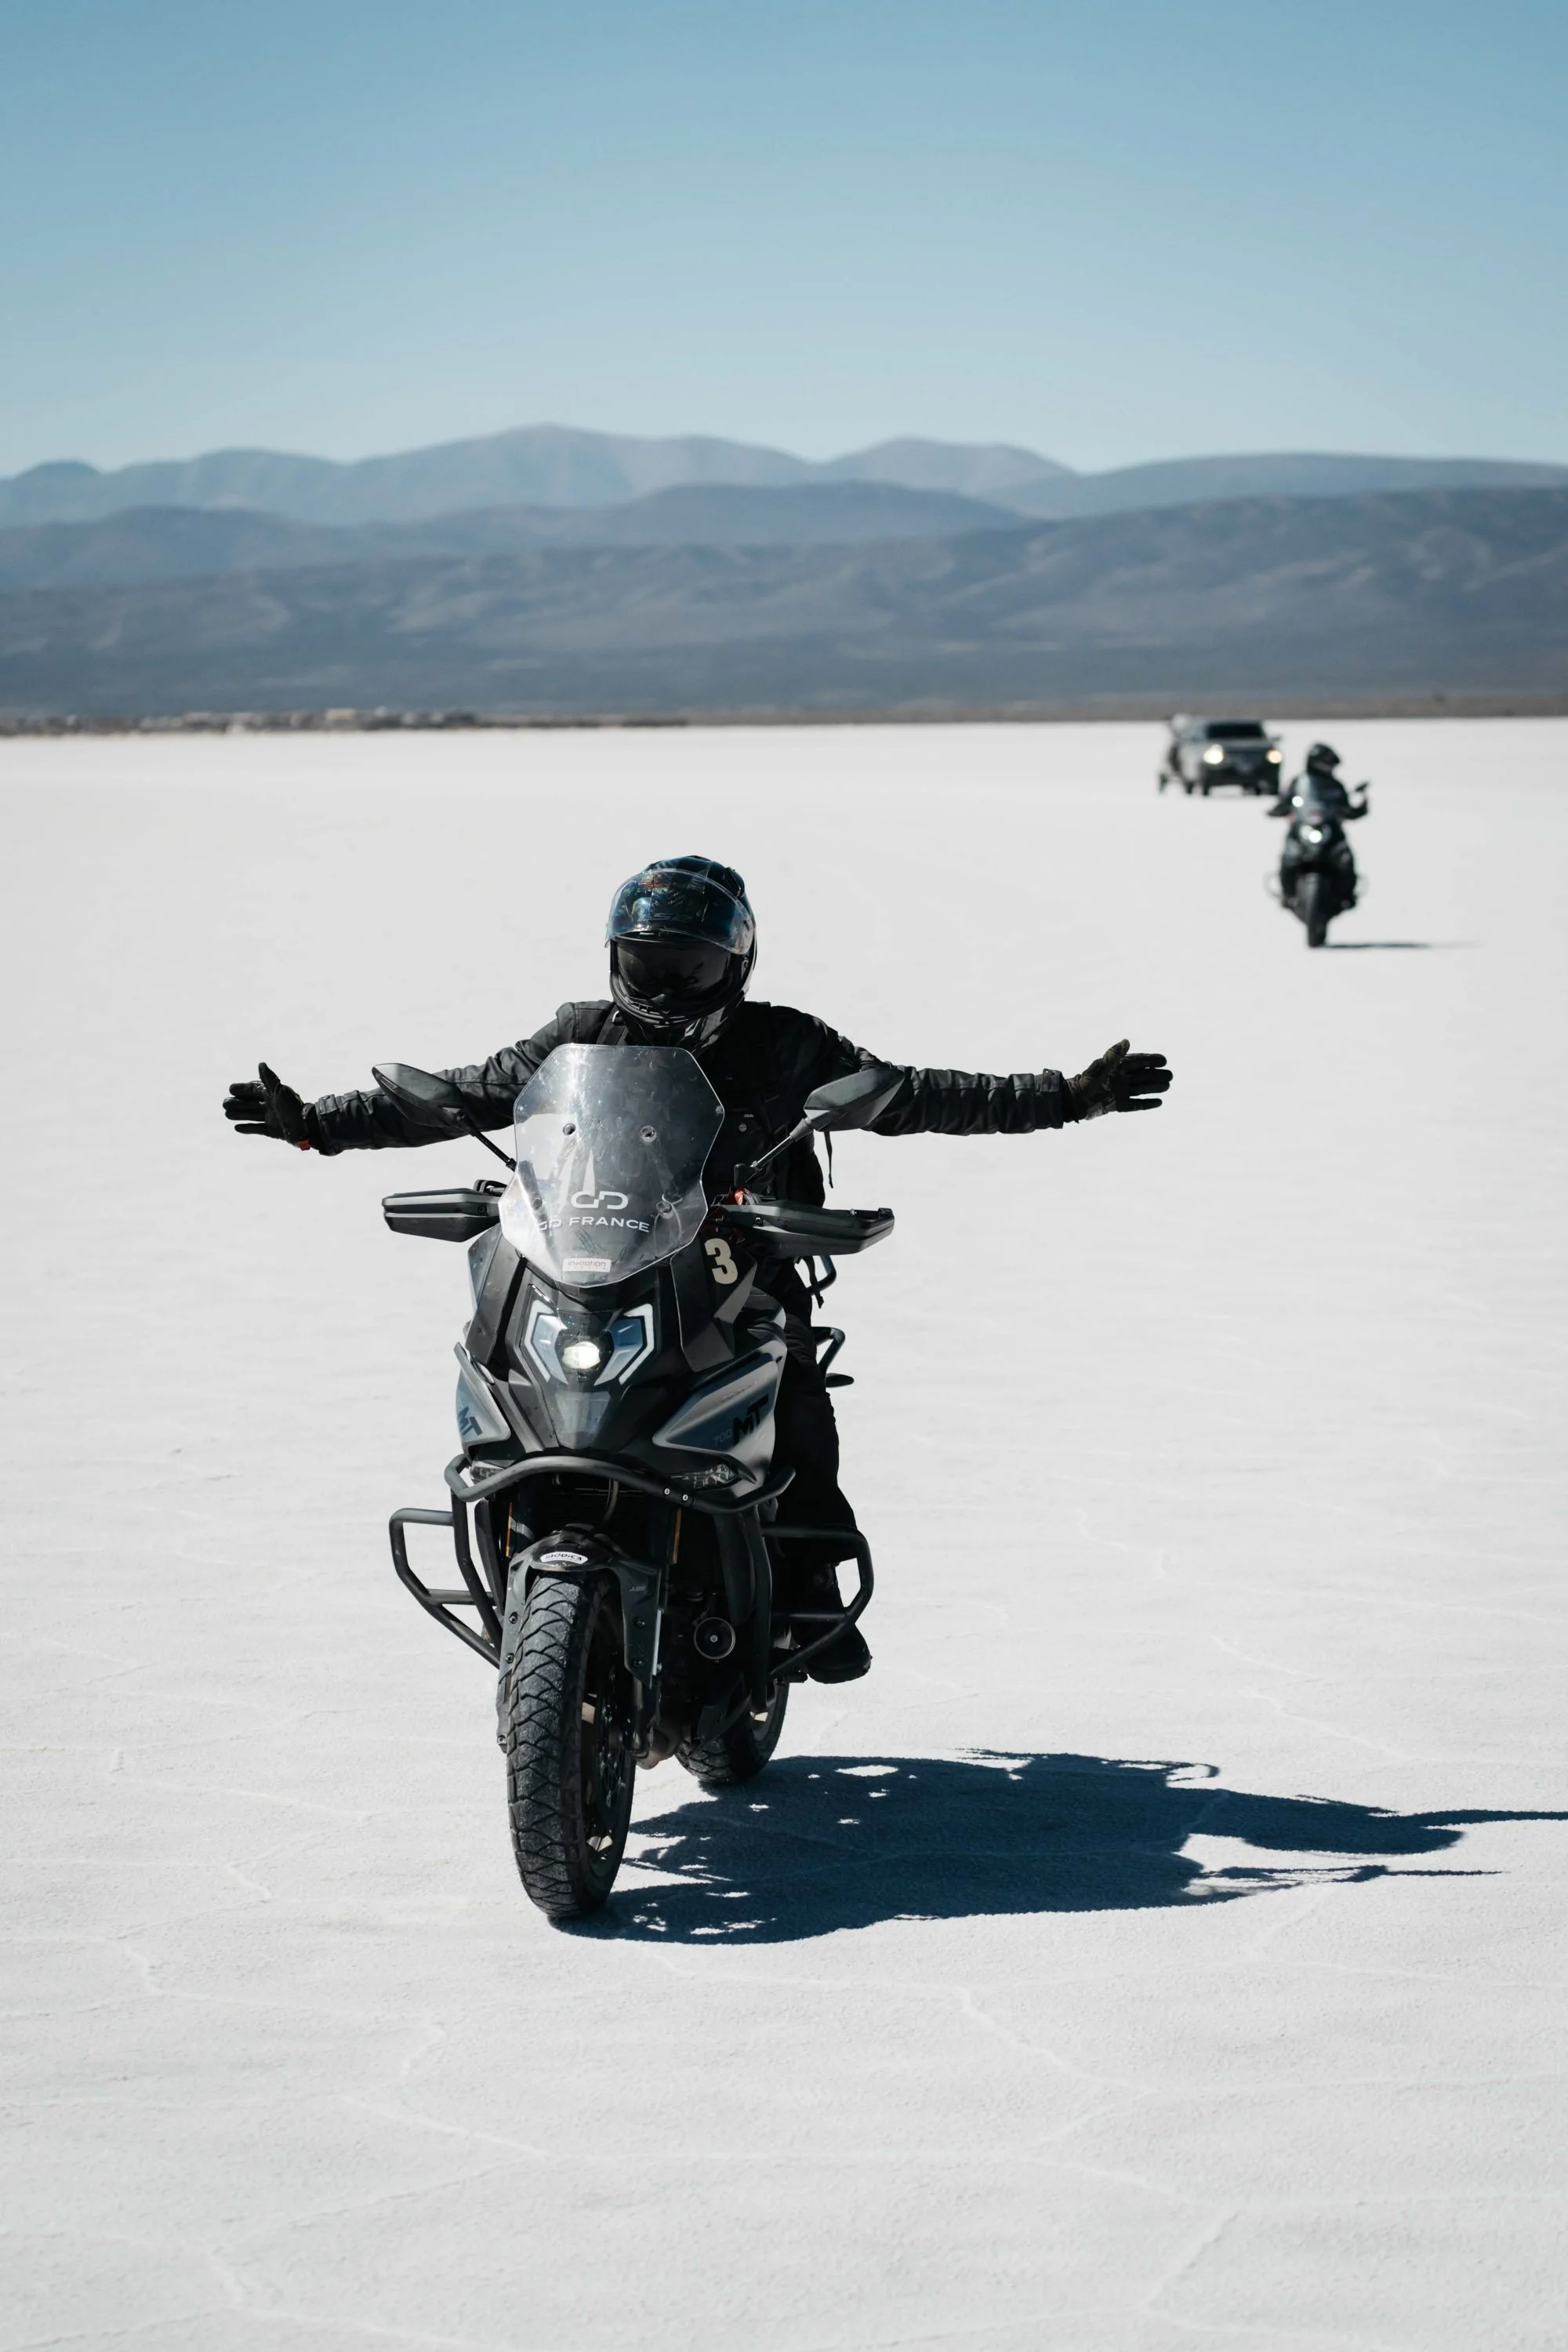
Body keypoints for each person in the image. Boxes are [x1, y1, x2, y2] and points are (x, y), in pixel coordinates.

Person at [224, 855, 1173, 1681]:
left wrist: (1066, 1097)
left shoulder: (788, 1043)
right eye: (651, 963)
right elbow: (460, 1097)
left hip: (737, 1268)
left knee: (791, 1387)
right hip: (596, 1258)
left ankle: (806, 1583)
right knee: (503, 1354)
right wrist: (317, 1124)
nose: (670, 983)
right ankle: (525, 1546)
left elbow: (915, 1096)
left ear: (736, 965)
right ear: (617, 959)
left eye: (692, 965)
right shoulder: (579, 1033)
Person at [1270, 740, 1370, 823]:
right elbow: (1286, 800)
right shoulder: (1299, 783)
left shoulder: (1335, 786)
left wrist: (1357, 806)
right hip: (1303, 827)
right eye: (1326, 765)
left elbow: (1346, 808)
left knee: (1341, 846)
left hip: (1331, 831)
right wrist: (1280, 809)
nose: (1328, 769)